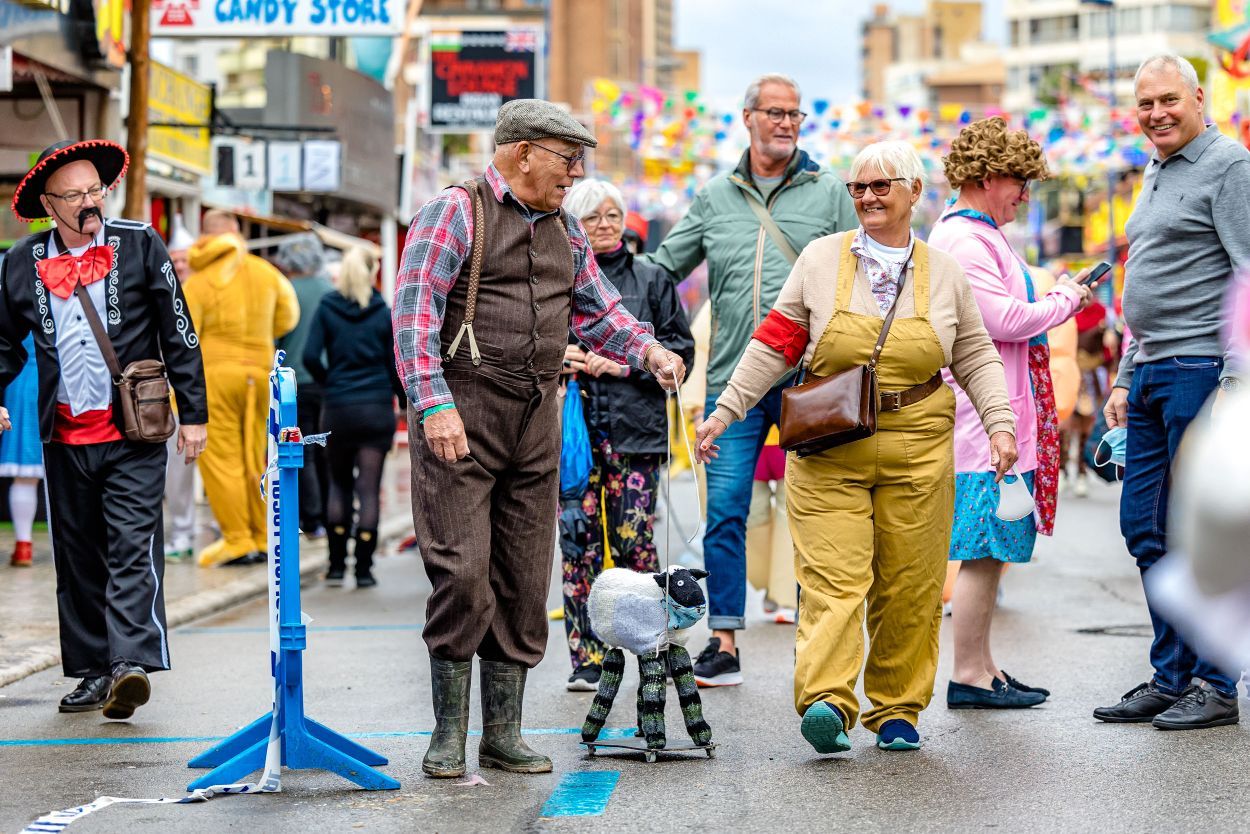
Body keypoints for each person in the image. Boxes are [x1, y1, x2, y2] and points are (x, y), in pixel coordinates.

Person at [394, 98, 687, 779]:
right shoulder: (454, 210)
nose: (575, 172)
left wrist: (649, 352)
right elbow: (413, 318)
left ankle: (503, 733)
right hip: (459, 418)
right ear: (522, 151)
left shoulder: (566, 230)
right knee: (464, 575)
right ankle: (448, 731)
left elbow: (600, 309)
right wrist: (433, 404)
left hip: (535, 421)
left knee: (525, 581)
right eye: (566, 157)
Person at [695, 140, 1016, 753]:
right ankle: (827, 704)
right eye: (857, 188)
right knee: (832, 580)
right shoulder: (820, 260)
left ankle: (897, 710)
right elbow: (775, 343)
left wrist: (999, 423)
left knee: (911, 584)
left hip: (919, 446)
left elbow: (974, 352)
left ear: (914, 192)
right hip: (829, 447)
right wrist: (727, 409)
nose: (867, 197)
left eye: (881, 186)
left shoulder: (943, 271)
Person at [646, 73, 857, 686]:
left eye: (794, 113)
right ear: (748, 118)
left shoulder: (828, 193)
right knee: (726, 513)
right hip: (732, 384)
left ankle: (822, 641)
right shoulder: (715, 196)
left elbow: (861, 268)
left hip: (813, 383)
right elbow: (662, 270)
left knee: (821, 513)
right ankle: (724, 641)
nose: (787, 122)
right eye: (775, 112)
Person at [0, 140, 207, 718]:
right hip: (62, 437)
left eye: (96, 190)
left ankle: (131, 663)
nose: (90, 202)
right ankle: (93, 671)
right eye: (75, 195)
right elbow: (2, 338)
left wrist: (193, 414)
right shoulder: (23, 261)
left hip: (134, 433)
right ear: (49, 203)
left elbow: (179, 330)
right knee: (77, 556)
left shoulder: (139, 245)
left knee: (131, 544)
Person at [1094, 53, 1250, 730]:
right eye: (1145, 104)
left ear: (1198, 97)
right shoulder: (1156, 170)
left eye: (1169, 101)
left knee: (1196, 537)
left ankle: (1216, 682)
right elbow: (1149, 284)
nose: (1157, 114)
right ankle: (1173, 675)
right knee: (1145, 528)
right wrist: (1127, 374)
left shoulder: (1230, 164)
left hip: (1201, 372)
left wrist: (1234, 385)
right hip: (1154, 369)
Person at [928, 117, 1094, 709]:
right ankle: (970, 674)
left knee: (992, 552)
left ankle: (985, 667)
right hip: (982, 429)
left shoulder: (977, 234)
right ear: (989, 177)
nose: (1026, 195)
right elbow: (1005, 321)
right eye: (1020, 182)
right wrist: (1066, 299)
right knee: (983, 551)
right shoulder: (966, 241)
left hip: (994, 420)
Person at [557, 178, 695, 691]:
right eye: (592, 216)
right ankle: (586, 658)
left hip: (636, 435)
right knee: (578, 546)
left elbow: (681, 352)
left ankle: (649, 649)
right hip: (571, 439)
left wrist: (624, 366)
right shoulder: (556, 277)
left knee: (637, 549)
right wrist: (560, 359)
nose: (606, 225)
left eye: (613, 214)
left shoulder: (651, 278)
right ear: (574, 223)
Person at [185, 210, 299, 567]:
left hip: (216, 376)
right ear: (236, 233)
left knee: (222, 460)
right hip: (261, 373)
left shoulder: (198, 282)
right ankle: (265, 536)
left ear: (204, 239)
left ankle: (237, 539)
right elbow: (287, 318)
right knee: (259, 456)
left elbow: (186, 336)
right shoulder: (268, 273)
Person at [303, 245, 404, 588]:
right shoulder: (382, 312)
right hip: (376, 408)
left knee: (338, 484)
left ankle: (335, 566)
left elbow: (310, 355)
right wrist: (401, 400)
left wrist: (330, 383)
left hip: (338, 408)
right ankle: (364, 569)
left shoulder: (327, 308)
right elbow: (395, 366)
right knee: (369, 489)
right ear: (374, 271)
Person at [275, 233, 335, 536]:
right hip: (329, 382)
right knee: (325, 449)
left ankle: (310, 518)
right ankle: (330, 514)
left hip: (294, 383)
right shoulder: (331, 291)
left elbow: (277, 340)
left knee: (303, 450)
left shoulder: (283, 291)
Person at [162, 219, 199, 560]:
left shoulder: (205, 291)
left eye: (185, 259)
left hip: (211, 394)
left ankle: (222, 530)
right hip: (173, 398)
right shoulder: (161, 293)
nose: (180, 265)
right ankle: (183, 531)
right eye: (175, 259)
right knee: (178, 472)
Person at [0, 332, 43, 567]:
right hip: (60, 381)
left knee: (25, 475)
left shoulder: (13, 295)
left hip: (22, 382)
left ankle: (23, 545)